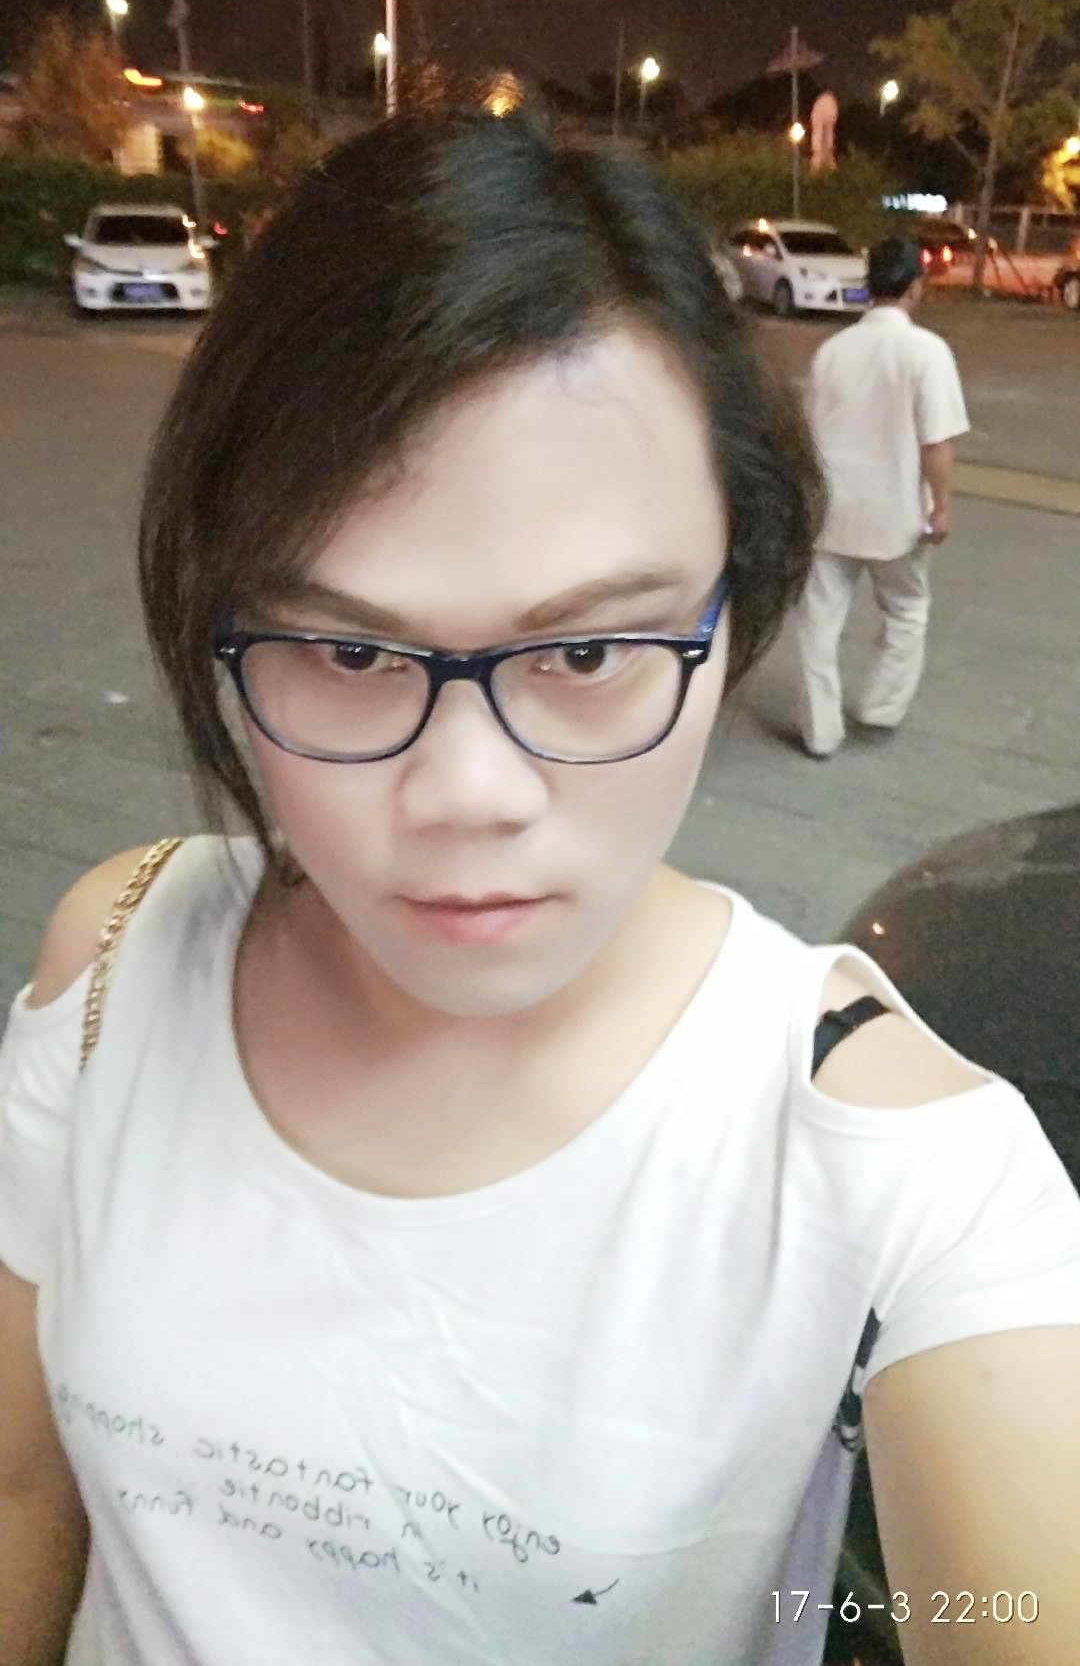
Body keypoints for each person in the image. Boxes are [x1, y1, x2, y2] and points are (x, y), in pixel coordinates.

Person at [1, 116, 1077, 1666]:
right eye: (349, 651)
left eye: (586, 651)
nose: (467, 794)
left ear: (737, 604)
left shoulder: (902, 1172)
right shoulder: (118, 952)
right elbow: (24, 1489)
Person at [794, 236, 969, 758]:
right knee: (907, 610)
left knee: (818, 622)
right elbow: (936, 443)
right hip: (897, 513)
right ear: (915, 286)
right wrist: (941, 507)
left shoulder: (832, 351)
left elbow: (807, 433)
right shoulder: (927, 352)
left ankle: (820, 731)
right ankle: (879, 708)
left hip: (831, 510)